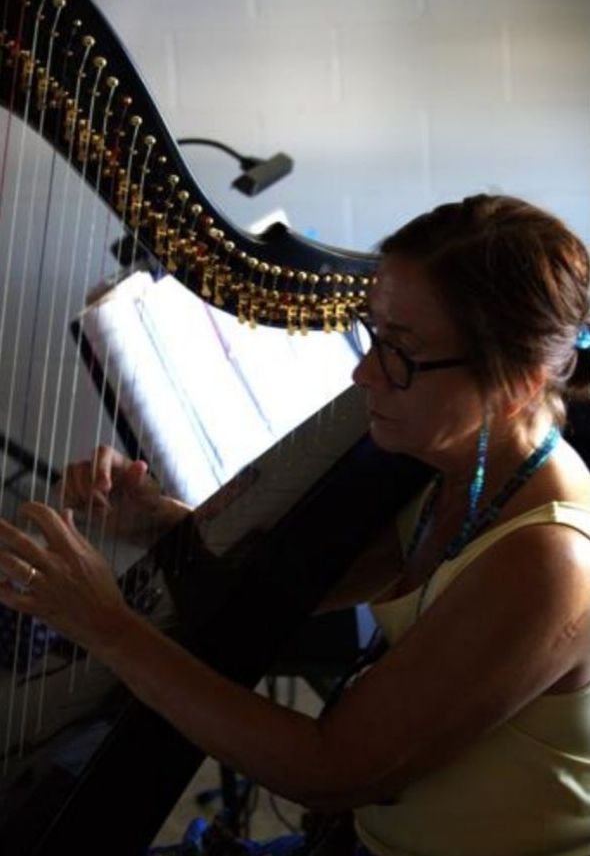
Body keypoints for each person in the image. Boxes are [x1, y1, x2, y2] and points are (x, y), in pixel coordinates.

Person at [1, 193, 590, 856]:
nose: (364, 371)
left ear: (517, 381)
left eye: (402, 353)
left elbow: (327, 769)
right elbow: (283, 582)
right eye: (374, 334)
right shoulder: (450, 466)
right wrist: (153, 521)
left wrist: (106, 624)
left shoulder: (550, 561)